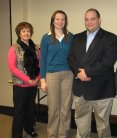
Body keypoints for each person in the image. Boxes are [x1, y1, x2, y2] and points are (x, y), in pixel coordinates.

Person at [68, 8, 117, 138]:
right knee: (81, 122)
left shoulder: (110, 38)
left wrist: (87, 72)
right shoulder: (77, 37)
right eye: (86, 19)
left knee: (103, 125)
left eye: (92, 19)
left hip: (101, 89)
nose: (89, 22)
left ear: (99, 20)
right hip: (81, 88)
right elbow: (71, 58)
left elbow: (108, 61)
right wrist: (78, 73)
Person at [40, 10, 73, 138]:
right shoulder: (46, 37)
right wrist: (43, 79)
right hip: (51, 75)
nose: (60, 22)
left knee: (66, 108)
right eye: (57, 19)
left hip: (68, 74)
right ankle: (52, 134)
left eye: (63, 19)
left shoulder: (71, 37)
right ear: (53, 21)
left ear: (66, 21)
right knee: (53, 108)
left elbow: (75, 57)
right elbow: (42, 59)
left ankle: (63, 134)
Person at [8, 22, 40, 138]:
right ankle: (16, 134)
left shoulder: (36, 48)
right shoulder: (14, 48)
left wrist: (37, 78)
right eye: (23, 31)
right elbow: (12, 67)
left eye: (28, 31)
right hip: (20, 86)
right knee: (19, 111)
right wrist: (27, 79)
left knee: (30, 109)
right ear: (19, 33)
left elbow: (40, 65)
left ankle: (29, 128)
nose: (26, 33)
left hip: (33, 85)